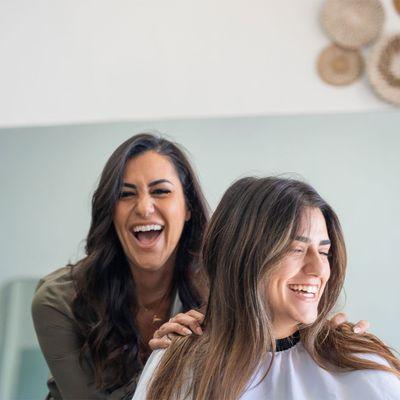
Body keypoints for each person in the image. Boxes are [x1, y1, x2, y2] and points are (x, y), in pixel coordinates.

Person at [32, 134, 369, 399]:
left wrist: (318, 334)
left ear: (188, 207)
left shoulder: (220, 280)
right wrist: (167, 364)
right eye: (126, 194)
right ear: (110, 211)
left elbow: (271, 330)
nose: (144, 207)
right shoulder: (57, 299)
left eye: (160, 191)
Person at [134, 176, 400, 400]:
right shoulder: (177, 365)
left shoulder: (362, 368)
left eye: (324, 252)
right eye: (296, 249)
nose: (319, 270)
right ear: (243, 257)